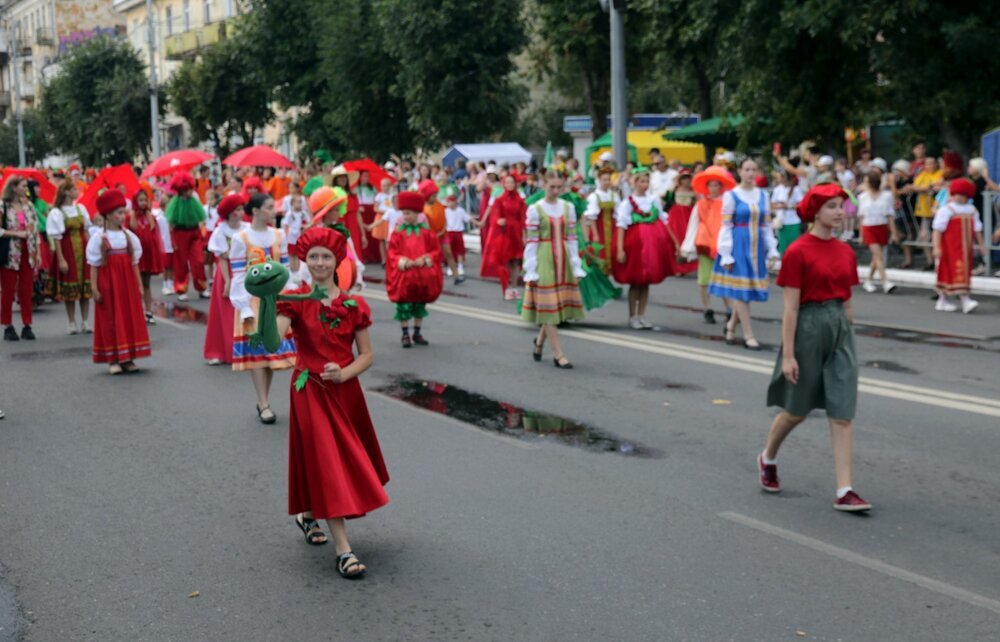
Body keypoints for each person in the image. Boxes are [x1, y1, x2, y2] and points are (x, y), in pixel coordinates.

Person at [271, 226, 388, 579]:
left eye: (326, 256)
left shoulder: (355, 305)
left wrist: (346, 373)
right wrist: (262, 303)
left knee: (334, 461)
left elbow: (366, 356)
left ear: (338, 260)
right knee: (328, 463)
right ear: (304, 262)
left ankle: (308, 514)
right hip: (309, 391)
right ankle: (344, 550)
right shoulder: (293, 301)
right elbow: (272, 341)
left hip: (345, 391)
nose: (319, 262)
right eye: (312, 257)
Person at [759, 183, 870, 512]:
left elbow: (847, 300)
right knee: (796, 410)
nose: (840, 212)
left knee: (842, 412)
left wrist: (848, 334)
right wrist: (789, 355)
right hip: (807, 328)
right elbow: (790, 308)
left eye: (841, 206)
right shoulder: (798, 252)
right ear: (815, 211)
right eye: (833, 206)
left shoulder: (845, 251)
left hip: (838, 329)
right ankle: (768, 458)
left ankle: (844, 490)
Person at [229, 193, 296, 424]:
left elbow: (285, 269)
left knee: (271, 354)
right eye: (268, 207)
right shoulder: (241, 238)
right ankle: (264, 402)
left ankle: (263, 401)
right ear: (255, 211)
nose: (273, 210)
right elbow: (238, 275)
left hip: (276, 300)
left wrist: (292, 295)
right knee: (259, 353)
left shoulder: (278, 235)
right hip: (252, 301)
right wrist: (244, 305)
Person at [709, 158, 779, 350]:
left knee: (746, 289)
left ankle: (731, 326)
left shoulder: (763, 195)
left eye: (753, 170)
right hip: (738, 243)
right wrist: (726, 253)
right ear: (740, 171)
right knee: (741, 291)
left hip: (755, 245)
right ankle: (749, 335)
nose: (750, 174)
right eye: (747, 169)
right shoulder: (732, 195)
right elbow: (726, 225)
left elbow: (766, 225)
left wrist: (772, 248)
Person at [522, 171, 586, 368]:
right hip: (544, 257)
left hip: (563, 257)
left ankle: (539, 343)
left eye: (559, 187)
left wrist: (576, 265)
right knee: (549, 305)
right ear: (544, 185)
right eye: (552, 187)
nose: (556, 190)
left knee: (555, 306)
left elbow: (572, 237)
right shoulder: (536, 209)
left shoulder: (568, 208)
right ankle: (559, 354)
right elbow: (531, 241)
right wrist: (530, 268)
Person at [87, 189, 151, 374]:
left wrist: (139, 285)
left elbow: (134, 263)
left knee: (128, 317)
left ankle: (128, 357)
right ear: (107, 215)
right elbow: (94, 264)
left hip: (127, 284)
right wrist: (94, 287)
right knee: (110, 319)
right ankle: (113, 359)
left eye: (124, 212)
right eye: (119, 213)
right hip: (108, 284)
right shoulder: (99, 238)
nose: (123, 216)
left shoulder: (128, 237)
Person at [613, 166, 673, 330]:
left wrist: (675, 243)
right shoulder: (628, 203)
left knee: (646, 282)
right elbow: (621, 226)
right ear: (634, 182)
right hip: (635, 246)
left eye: (646, 181)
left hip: (651, 246)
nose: (644, 184)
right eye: (641, 181)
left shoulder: (653, 200)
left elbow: (664, 220)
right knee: (636, 282)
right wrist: (620, 249)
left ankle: (642, 314)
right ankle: (633, 316)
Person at [386, 191, 443, 348]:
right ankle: (405, 334)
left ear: (417, 213)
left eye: (408, 213)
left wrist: (425, 259)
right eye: (404, 213)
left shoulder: (427, 232)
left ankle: (417, 333)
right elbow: (392, 252)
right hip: (405, 275)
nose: (405, 216)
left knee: (419, 304)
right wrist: (402, 261)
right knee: (403, 304)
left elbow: (435, 250)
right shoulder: (398, 233)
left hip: (421, 275)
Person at [681, 165, 736, 324]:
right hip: (705, 244)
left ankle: (729, 308)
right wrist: (688, 247)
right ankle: (708, 308)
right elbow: (693, 224)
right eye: (711, 184)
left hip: (722, 246)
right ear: (707, 187)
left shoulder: (727, 203)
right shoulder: (700, 204)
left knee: (724, 277)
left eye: (717, 184)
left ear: (721, 186)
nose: (714, 188)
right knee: (705, 278)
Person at [204, 194, 247, 365]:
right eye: (237, 209)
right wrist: (228, 282)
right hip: (228, 272)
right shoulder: (221, 231)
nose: (241, 212)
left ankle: (246, 349)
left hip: (245, 270)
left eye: (241, 208)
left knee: (246, 310)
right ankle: (219, 351)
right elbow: (222, 258)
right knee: (224, 313)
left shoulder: (246, 227)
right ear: (229, 213)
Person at [46, 178, 93, 334]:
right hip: (68, 251)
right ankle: (72, 322)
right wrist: (61, 259)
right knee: (70, 288)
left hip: (83, 250)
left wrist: (92, 252)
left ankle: (85, 321)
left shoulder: (81, 209)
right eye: (73, 189)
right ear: (66, 192)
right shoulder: (57, 212)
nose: (76, 191)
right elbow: (57, 237)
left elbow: (86, 231)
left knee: (85, 287)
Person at [933, 178, 985, 314]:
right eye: (957, 194)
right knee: (952, 271)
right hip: (950, 248)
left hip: (965, 248)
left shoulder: (971, 210)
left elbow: (978, 229)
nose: (959, 198)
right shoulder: (947, 209)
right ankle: (965, 300)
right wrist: (936, 247)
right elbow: (938, 229)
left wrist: (981, 245)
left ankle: (942, 301)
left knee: (961, 271)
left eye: (963, 195)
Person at [1, 175, 40, 341]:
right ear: (14, 187)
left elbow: (35, 230)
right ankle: (7, 325)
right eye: (23, 186)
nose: (26, 189)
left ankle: (27, 324)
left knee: (26, 290)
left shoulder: (29, 206)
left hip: (27, 250)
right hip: (10, 251)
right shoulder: (3, 206)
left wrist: (37, 252)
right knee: (8, 291)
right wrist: (16, 233)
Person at [479, 175, 526, 298]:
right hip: (504, 233)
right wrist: (498, 220)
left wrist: (524, 236)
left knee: (516, 261)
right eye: (508, 182)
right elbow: (495, 216)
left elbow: (523, 219)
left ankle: (514, 288)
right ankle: (507, 288)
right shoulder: (500, 200)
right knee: (506, 261)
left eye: (512, 182)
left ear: (516, 184)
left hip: (516, 232)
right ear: (504, 184)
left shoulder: (520, 201)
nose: (510, 184)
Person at [166, 172, 209, 301]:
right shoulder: (175, 203)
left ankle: (201, 287)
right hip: (180, 234)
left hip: (194, 232)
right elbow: (171, 220)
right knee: (181, 262)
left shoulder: (194, 200)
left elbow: (201, 216)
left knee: (199, 260)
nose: (192, 190)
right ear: (183, 190)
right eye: (189, 189)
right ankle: (181, 289)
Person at [126, 185, 166, 324]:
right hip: (136, 256)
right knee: (137, 284)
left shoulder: (150, 216)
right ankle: (137, 311)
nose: (143, 203)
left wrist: (149, 216)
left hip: (148, 254)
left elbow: (154, 232)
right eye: (140, 200)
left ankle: (149, 311)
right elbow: (132, 229)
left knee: (146, 283)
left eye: (145, 200)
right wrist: (132, 214)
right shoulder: (130, 217)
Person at [857, 173, 899, 294]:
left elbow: (890, 215)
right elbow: (861, 217)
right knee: (878, 254)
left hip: (881, 226)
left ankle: (868, 280)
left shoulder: (886, 196)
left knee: (877, 256)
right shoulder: (863, 197)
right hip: (868, 227)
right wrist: (861, 235)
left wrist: (894, 233)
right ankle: (885, 281)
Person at [583, 166, 621, 275]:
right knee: (600, 255)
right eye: (604, 180)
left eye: (609, 179)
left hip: (612, 229)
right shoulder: (594, 196)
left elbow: (618, 215)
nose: (607, 182)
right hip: (599, 230)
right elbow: (591, 217)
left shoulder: (614, 195)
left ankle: (607, 282)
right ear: (599, 181)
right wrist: (595, 234)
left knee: (611, 256)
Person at [664, 170, 698, 276]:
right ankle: (677, 266)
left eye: (688, 178)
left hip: (688, 216)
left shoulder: (694, 191)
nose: (686, 181)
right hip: (676, 216)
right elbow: (665, 198)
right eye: (684, 178)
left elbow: (697, 203)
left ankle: (687, 264)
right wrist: (673, 186)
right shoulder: (674, 190)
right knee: (676, 239)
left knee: (687, 238)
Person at [913, 156, 943, 269]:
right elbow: (915, 187)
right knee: (924, 236)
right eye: (928, 163)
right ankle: (930, 261)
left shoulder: (940, 173)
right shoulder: (922, 174)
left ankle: (938, 261)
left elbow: (938, 186)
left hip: (938, 210)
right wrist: (928, 187)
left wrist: (926, 188)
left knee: (937, 236)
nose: (930, 166)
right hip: (924, 210)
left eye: (932, 163)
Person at [770, 171, 804, 256]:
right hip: (782, 222)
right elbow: (772, 204)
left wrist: (788, 206)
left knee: (794, 247)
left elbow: (801, 204)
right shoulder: (777, 189)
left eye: (781, 177)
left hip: (794, 221)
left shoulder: (796, 189)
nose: (779, 179)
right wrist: (780, 206)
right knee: (783, 247)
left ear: (787, 178)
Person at [281, 185, 310, 276]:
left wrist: (305, 227)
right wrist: (284, 236)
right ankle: (293, 270)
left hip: (300, 237)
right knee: (291, 254)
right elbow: (285, 225)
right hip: (291, 238)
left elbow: (309, 223)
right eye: (297, 202)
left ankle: (298, 270)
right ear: (292, 204)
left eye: (300, 202)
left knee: (298, 254)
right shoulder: (290, 214)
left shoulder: (303, 213)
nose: (299, 204)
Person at [443, 191, 471, 279]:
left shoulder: (460, 210)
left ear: (455, 202)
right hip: (449, 232)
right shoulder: (445, 211)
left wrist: (479, 223)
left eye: (450, 201)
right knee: (449, 251)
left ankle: (460, 266)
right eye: (447, 202)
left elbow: (468, 218)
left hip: (458, 232)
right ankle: (450, 267)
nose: (448, 203)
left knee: (460, 250)